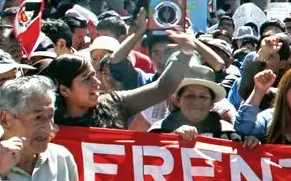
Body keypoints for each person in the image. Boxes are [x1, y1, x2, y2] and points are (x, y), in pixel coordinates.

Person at [44, 52, 190, 129]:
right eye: (87, 79)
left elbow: (161, 90)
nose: (96, 82)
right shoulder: (47, 123)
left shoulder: (113, 103)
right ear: (64, 90)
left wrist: (185, 54)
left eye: (94, 75)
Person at [149, 65, 239, 142]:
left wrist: (249, 143)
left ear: (212, 104)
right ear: (178, 101)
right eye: (189, 96)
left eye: (203, 97)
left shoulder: (227, 131)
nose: (196, 101)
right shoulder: (158, 129)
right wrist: (173, 137)